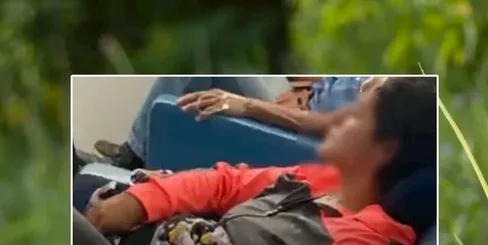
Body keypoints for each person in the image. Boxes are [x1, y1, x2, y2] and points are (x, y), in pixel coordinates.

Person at [78, 76, 436, 245]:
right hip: (175, 228)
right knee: (82, 188)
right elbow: (228, 182)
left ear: (383, 150)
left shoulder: (365, 239)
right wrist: (142, 201)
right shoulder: (323, 179)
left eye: (356, 116)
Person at [97, 75, 375, 169]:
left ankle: (133, 157)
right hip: (297, 107)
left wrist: (251, 106)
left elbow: (339, 126)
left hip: (304, 139)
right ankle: (136, 151)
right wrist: (300, 92)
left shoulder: (392, 88)